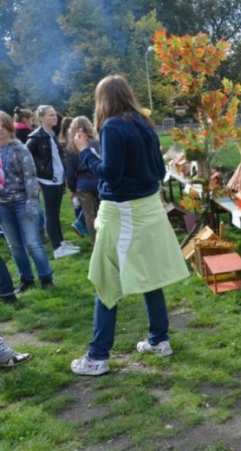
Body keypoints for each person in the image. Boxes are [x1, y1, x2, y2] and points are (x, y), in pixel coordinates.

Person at [70, 74, 189, 376]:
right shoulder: (144, 123)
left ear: (103, 100)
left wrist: (85, 151)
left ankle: (97, 357)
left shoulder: (112, 126)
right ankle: (159, 340)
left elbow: (110, 173)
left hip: (123, 212)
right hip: (148, 209)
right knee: (150, 278)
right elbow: (160, 169)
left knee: (106, 281)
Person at [0, 111, 54, 291]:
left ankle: (46, 277)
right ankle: (26, 279)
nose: (0, 129)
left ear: (9, 126)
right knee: (14, 246)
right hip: (2, 206)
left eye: (3, 124)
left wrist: (32, 204)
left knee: (32, 243)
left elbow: (30, 178)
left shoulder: (19, 148)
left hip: (23, 202)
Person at [26, 106, 79, 259]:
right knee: (51, 214)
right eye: (50, 115)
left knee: (55, 213)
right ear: (41, 118)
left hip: (57, 179)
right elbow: (25, 157)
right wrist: (35, 178)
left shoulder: (51, 134)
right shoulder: (36, 137)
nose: (54, 118)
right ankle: (56, 248)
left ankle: (61, 242)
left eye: (55, 115)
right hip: (46, 181)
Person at [65, 116, 100, 243]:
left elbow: (69, 171)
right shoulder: (97, 142)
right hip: (98, 180)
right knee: (103, 212)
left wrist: (73, 189)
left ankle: (95, 242)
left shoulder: (71, 148)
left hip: (83, 184)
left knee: (89, 215)